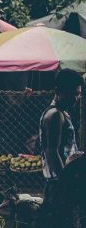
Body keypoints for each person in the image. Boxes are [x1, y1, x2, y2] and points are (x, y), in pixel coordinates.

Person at [39, 68, 83, 197]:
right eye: (71, 94)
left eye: (78, 94)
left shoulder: (62, 113)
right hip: (59, 183)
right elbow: (52, 151)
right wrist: (65, 183)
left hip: (62, 181)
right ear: (58, 92)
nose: (76, 99)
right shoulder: (55, 115)